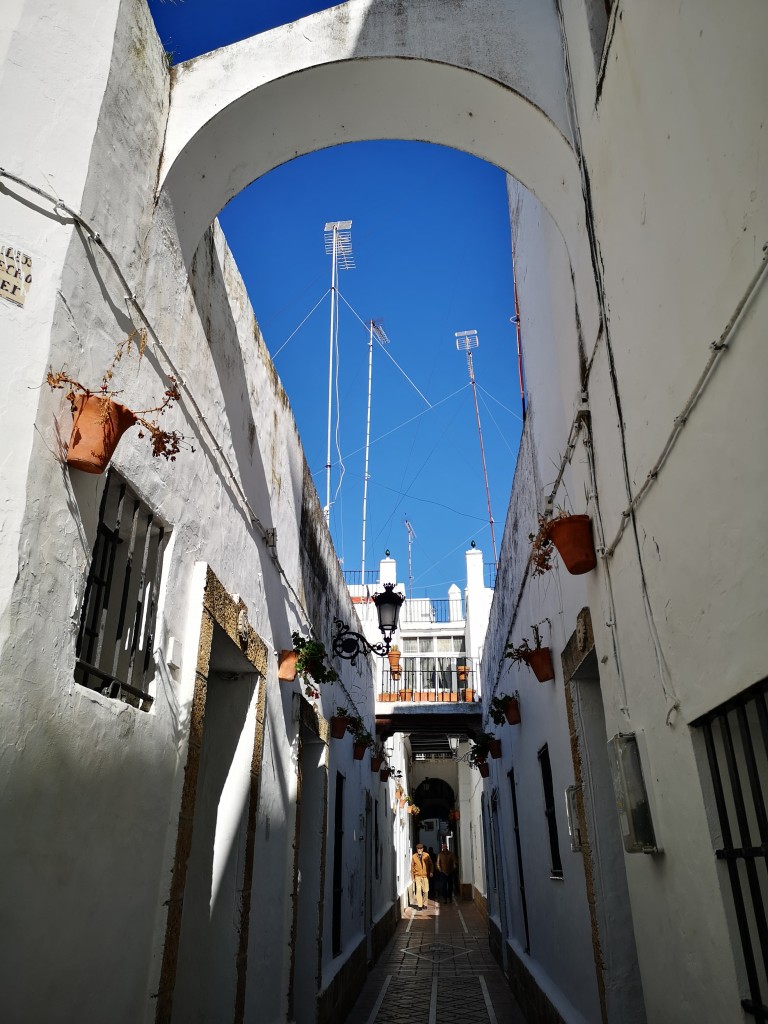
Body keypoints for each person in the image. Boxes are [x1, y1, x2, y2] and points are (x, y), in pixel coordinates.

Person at [410, 843, 434, 910]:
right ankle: (420, 905)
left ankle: (425, 904)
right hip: (417, 876)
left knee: (426, 891)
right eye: (418, 849)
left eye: (420, 848)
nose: (419, 850)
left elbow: (431, 864)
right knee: (418, 890)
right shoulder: (414, 857)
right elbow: (412, 868)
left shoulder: (427, 855)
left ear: (422, 849)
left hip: (425, 876)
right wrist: (413, 877)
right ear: (416, 849)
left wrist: (431, 872)